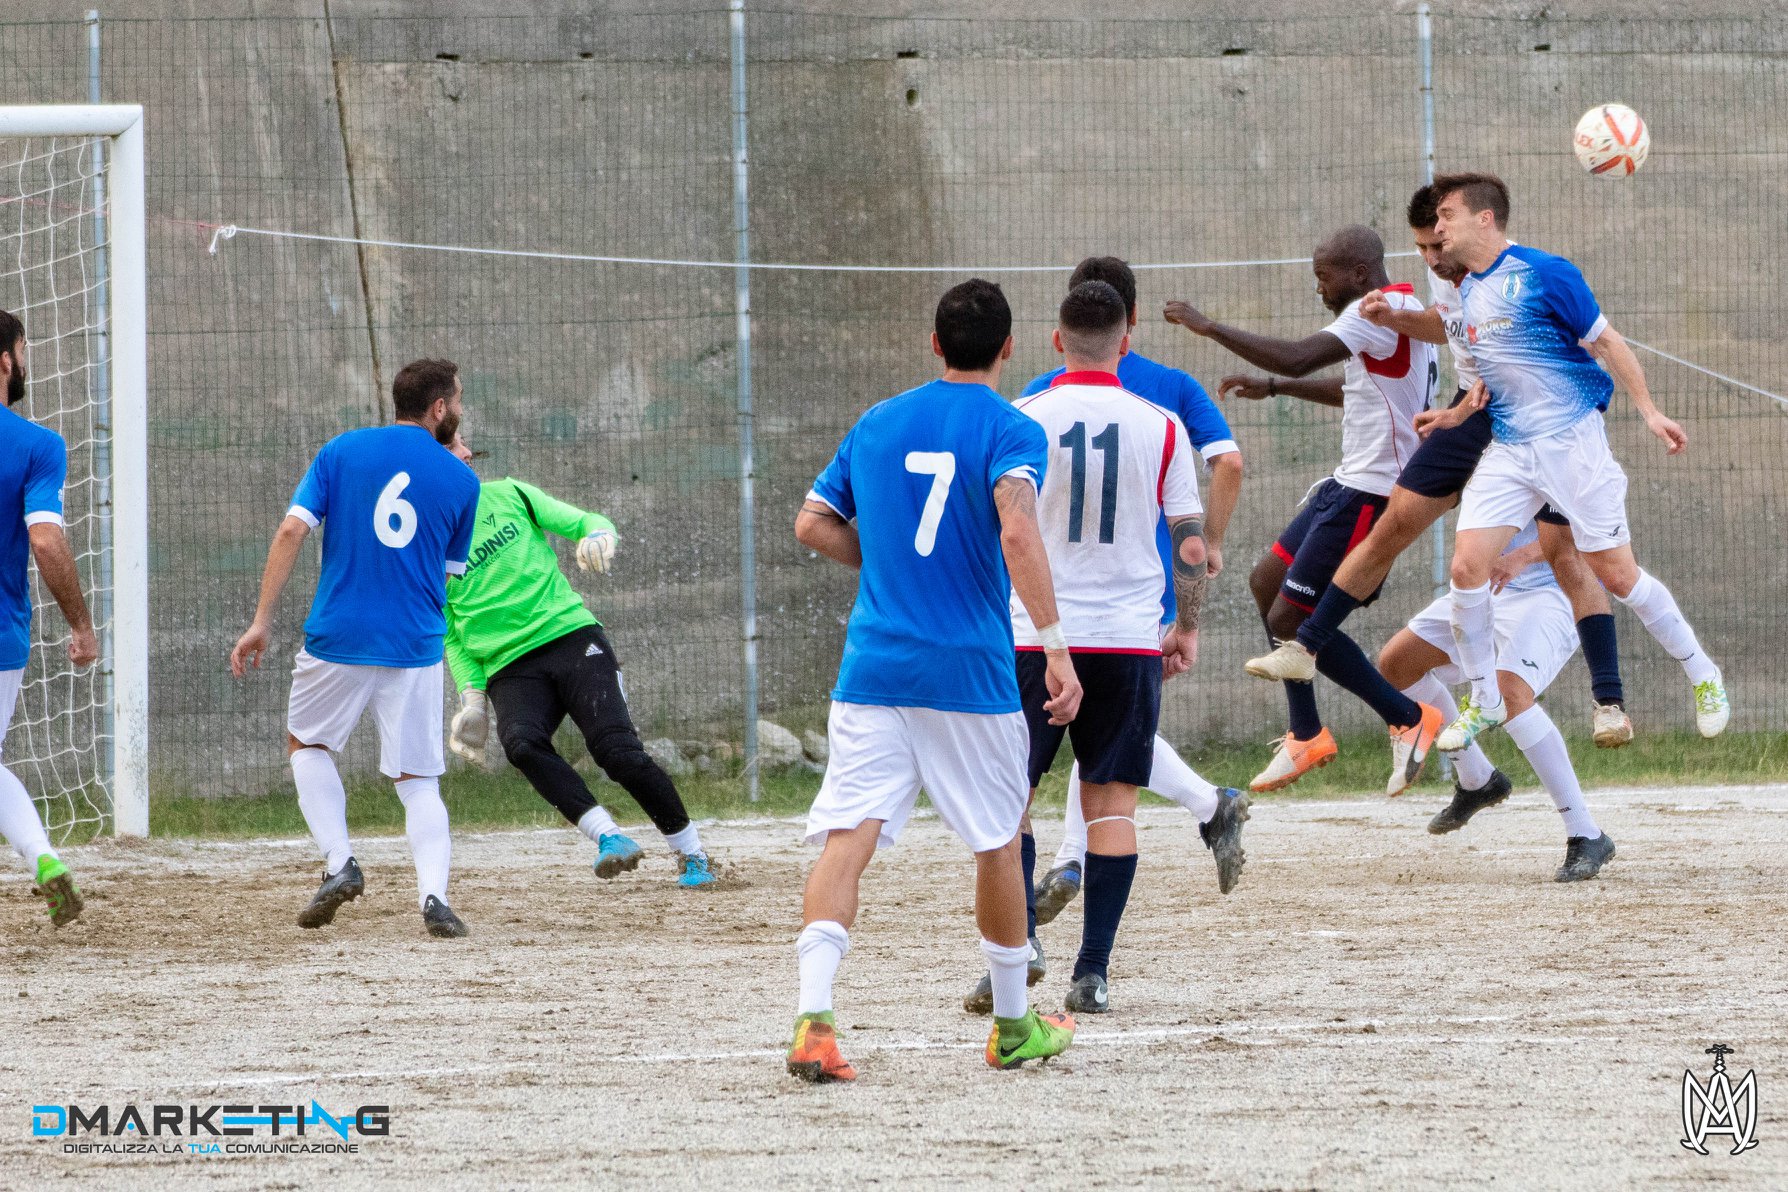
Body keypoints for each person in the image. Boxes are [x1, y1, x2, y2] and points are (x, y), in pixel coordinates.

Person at [786, 279, 1082, 1082]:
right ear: (1009, 347)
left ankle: (814, 1021)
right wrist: (1055, 648)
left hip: (873, 668)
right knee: (999, 839)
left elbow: (812, 522)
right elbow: (1017, 530)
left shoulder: (877, 421)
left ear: (934, 342)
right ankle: (1014, 1027)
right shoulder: (1011, 428)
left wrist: (886, 565)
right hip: (968, 674)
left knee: (849, 836)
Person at [1244, 184, 1636, 752]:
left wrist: (1645, 409)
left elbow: (1587, 342)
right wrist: (1400, 323)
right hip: (1471, 406)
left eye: (1438, 243)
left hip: (1538, 414)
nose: (1432, 258)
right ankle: (1307, 648)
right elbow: (1446, 326)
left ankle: (1610, 700)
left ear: (1472, 225)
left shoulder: (1527, 276)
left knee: (1571, 556)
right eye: (1422, 248)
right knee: (1399, 522)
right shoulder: (1444, 280)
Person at [1414, 172, 1729, 750]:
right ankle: (1484, 699)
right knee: (1466, 568)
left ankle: (1702, 672)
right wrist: (1455, 416)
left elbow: (1607, 342)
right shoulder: (1469, 292)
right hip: (1512, 449)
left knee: (1618, 576)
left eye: (1447, 216)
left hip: (1571, 445)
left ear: (1485, 218)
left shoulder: (1545, 272)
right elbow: (1491, 378)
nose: (1438, 228)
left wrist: (1650, 411)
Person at [975, 279, 1211, 1018]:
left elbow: (1001, 529)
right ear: (1126, 342)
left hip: (1032, 636)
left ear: (1056, 341)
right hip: (1127, 640)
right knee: (1111, 810)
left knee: (1011, 804)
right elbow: (1192, 546)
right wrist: (1186, 626)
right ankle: (1093, 973)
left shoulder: (1020, 416)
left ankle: (1020, 949)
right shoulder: (1162, 424)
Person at [1164, 225, 1443, 797]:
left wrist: (1208, 326)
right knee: (1266, 582)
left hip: (1371, 493)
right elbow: (1356, 390)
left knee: (1290, 622)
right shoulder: (1401, 311)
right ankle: (1306, 732)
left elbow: (1298, 358)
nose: (1319, 288)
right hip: (1345, 485)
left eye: (1324, 276)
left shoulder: (1373, 310)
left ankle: (1407, 716)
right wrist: (1274, 388)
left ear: (1359, 273)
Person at [1021, 258, 1248, 924]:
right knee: (1111, 740)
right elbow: (1229, 462)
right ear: (1131, 326)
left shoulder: (1034, 400)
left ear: (1061, 331)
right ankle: (1200, 809)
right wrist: (1210, 543)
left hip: (1043, 608)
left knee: (1065, 751)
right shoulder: (1170, 392)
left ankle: (1065, 867)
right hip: (1141, 593)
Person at [231, 358, 481, 939]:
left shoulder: (341, 450)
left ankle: (340, 862)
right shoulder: (463, 480)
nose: (460, 410)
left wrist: (262, 620)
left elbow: (292, 531)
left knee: (307, 744)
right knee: (418, 781)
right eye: (458, 401)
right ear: (439, 409)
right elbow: (448, 576)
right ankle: (435, 900)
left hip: (338, 636)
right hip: (415, 643)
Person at [439, 430, 714, 889]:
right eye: (452, 447)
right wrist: (473, 699)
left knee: (617, 753)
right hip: (509, 666)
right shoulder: (427, 542)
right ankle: (609, 837)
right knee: (521, 744)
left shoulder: (510, 494)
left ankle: (692, 855)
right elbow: (453, 634)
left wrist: (600, 534)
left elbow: (586, 521)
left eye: (463, 443)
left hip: (571, 638)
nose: (467, 452)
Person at [1377, 521, 1616, 881]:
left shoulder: (1568, 479)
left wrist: (1520, 557)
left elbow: (1585, 533)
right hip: (1488, 587)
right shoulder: (1476, 479)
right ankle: (1477, 780)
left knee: (1510, 694)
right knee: (1397, 663)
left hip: (1554, 592)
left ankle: (1586, 833)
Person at [0, 309, 98, 927]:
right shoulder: (37, 445)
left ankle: (44, 859)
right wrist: (81, 625)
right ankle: (44, 859)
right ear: (6, 361)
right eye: (24, 350)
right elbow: (44, 539)